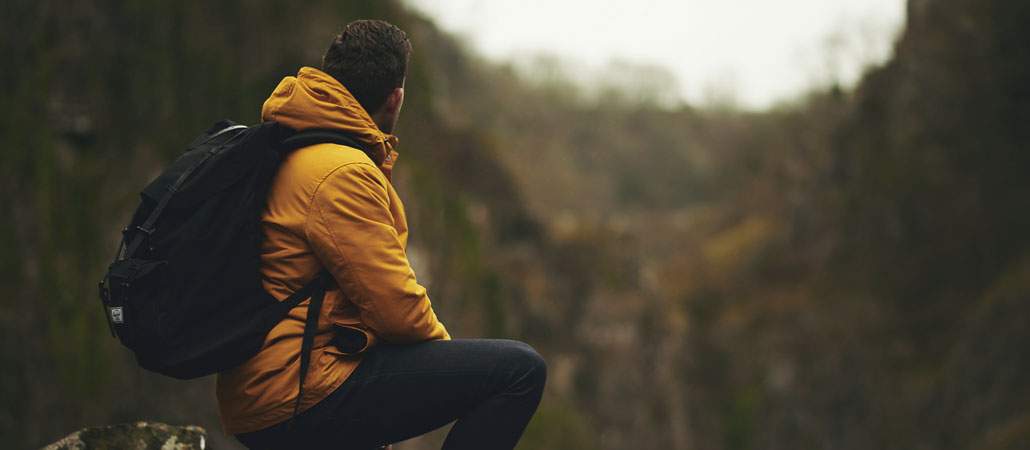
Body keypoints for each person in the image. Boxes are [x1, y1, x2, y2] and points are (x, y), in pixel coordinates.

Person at [216, 19, 547, 450]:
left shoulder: (290, 146)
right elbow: (397, 309)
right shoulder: (341, 172)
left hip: (263, 389)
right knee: (519, 371)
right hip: (294, 393)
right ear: (396, 98)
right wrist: (446, 366)